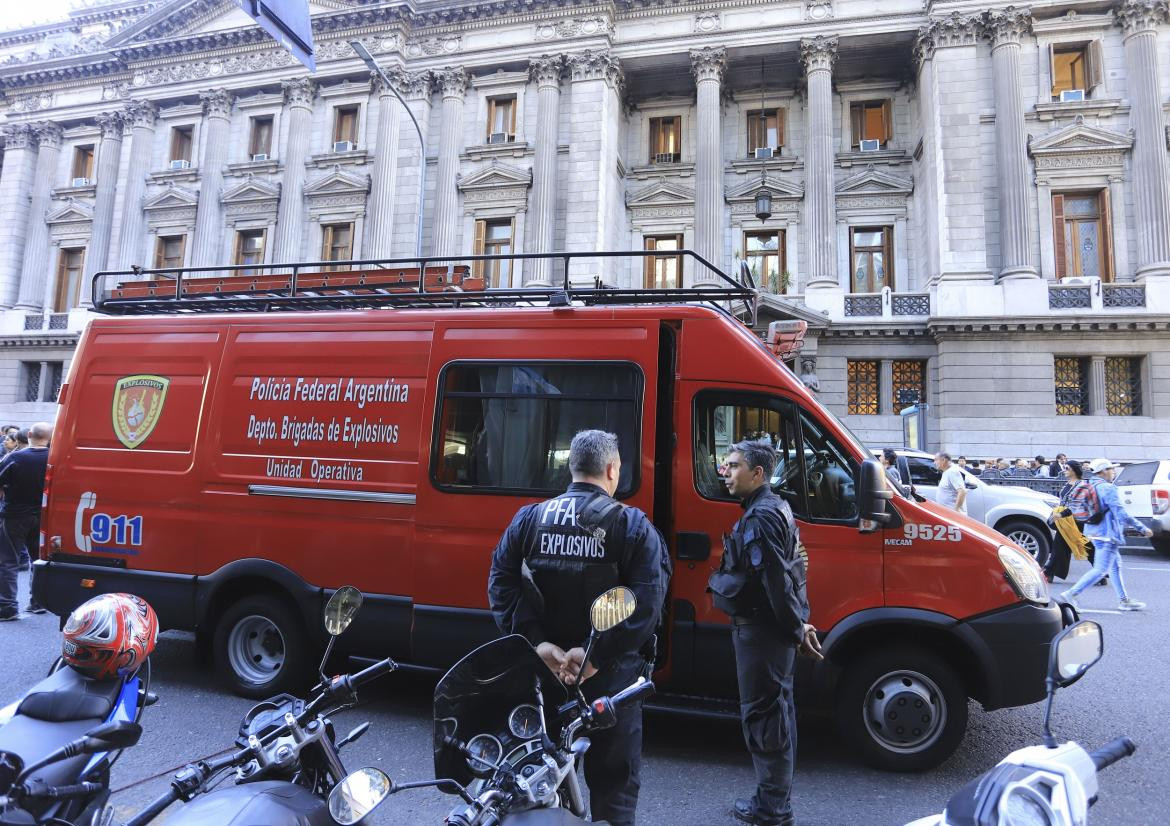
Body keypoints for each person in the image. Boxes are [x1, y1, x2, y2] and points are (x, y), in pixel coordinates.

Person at [487, 429, 670, 826]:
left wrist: (538, 645)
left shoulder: (530, 519)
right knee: (614, 790)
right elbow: (647, 605)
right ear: (611, 469)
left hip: (544, 679)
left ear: (571, 467)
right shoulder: (633, 526)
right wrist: (594, 659)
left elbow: (500, 585)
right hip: (611, 684)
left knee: (540, 782)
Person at [710, 440, 821, 826]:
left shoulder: (760, 517)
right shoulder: (775, 506)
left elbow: (776, 580)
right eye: (726, 464)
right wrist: (799, 625)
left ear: (758, 473)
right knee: (777, 712)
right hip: (773, 633)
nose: (726, 472)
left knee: (764, 717)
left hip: (762, 634)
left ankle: (772, 808)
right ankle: (774, 800)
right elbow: (791, 575)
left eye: (734, 465)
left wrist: (795, 628)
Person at [1060, 458, 1152, 611]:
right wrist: (1142, 528)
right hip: (1107, 533)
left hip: (1094, 530)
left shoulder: (1090, 485)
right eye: (1110, 468)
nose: (1113, 471)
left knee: (1115, 566)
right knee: (1101, 569)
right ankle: (1071, 593)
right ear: (1102, 471)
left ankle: (1124, 600)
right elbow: (1121, 514)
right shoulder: (1108, 488)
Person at [0, 421, 52, 620]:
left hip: (14, 515)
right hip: (43, 516)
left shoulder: (14, 458)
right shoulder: (54, 458)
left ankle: (7, 606)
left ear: (29, 434)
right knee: (38, 560)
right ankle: (38, 602)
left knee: (8, 561)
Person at [1044, 460, 1093, 583]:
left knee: (1078, 544)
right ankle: (1101, 572)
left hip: (1076, 520)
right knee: (1064, 545)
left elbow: (1077, 505)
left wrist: (1061, 514)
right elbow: (1063, 502)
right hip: (1065, 520)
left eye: (1067, 468)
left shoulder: (1082, 485)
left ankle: (1049, 572)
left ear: (1074, 470)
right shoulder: (1067, 484)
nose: (1064, 470)